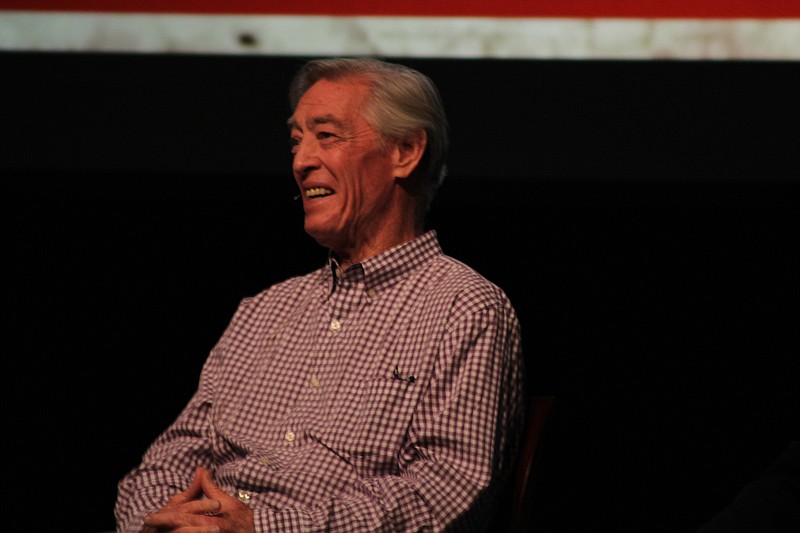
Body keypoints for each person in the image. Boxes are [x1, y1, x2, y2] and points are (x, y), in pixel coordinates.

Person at [115, 57, 526, 532]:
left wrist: (263, 528)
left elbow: (447, 489)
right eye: (296, 141)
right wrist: (159, 522)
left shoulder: (463, 306)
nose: (300, 160)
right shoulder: (265, 310)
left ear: (407, 151)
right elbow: (169, 461)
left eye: (326, 136)